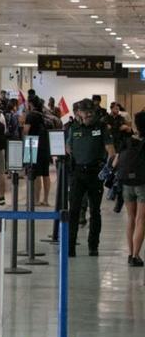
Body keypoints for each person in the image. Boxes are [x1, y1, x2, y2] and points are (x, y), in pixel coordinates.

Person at [66, 99, 116, 257]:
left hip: (96, 173)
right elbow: (68, 148)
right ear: (78, 113)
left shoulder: (101, 128)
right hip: (78, 173)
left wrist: (107, 169)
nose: (88, 114)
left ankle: (93, 246)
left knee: (95, 211)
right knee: (73, 211)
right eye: (84, 111)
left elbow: (111, 151)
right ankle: (70, 246)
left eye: (90, 112)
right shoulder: (74, 128)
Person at [114, 110, 145, 267]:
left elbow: (115, 163)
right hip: (142, 184)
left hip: (126, 184)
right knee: (141, 220)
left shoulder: (126, 140)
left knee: (131, 218)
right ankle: (136, 256)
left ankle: (130, 253)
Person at [22, 95, 52, 206]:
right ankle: (46, 200)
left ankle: (35, 200)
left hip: (32, 144)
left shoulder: (31, 115)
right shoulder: (44, 114)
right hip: (45, 145)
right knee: (45, 173)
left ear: (30, 104)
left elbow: (26, 131)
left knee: (35, 173)